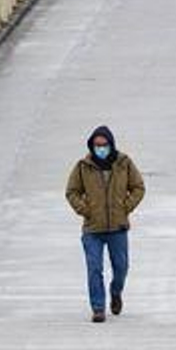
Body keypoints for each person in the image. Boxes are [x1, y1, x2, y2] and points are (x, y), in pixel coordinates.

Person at [65, 125, 145, 323]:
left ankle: (116, 292)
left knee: (121, 267)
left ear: (111, 144)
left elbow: (138, 187)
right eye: (97, 145)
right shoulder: (83, 166)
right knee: (94, 268)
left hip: (118, 228)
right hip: (93, 229)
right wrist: (85, 210)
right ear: (92, 146)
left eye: (104, 145)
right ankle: (98, 308)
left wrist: (126, 207)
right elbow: (72, 191)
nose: (101, 148)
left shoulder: (124, 163)